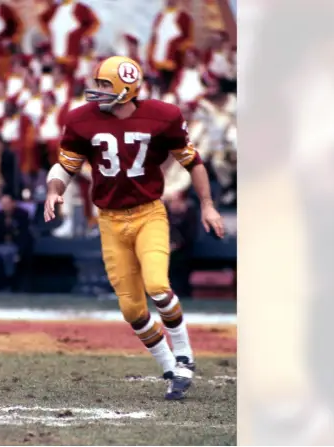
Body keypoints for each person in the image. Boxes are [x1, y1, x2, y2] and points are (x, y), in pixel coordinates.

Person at [43, 55, 225, 400]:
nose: (95, 90)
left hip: (148, 214)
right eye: (96, 82)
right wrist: (54, 190)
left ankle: (185, 353)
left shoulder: (163, 116)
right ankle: (171, 368)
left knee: (157, 285)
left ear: (125, 90)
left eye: (104, 85)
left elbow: (193, 162)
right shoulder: (81, 120)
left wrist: (207, 205)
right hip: (110, 220)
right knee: (131, 309)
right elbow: (65, 166)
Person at [0, 194, 33, 291]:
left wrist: (20, 252)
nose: (5, 206)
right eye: (2, 204)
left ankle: (9, 281)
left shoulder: (23, 214)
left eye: (7, 203)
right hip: (0, 243)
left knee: (8, 254)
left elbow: (24, 235)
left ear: (13, 203)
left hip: (16, 244)